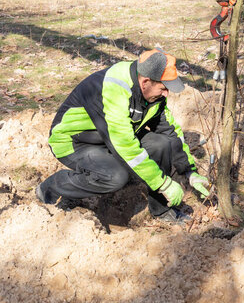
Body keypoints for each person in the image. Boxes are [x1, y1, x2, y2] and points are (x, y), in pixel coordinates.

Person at [36, 48, 209, 222]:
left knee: (160, 144)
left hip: (109, 138)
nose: (166, 94)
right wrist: (163, 183)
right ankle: (51, 188)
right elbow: (124, 143)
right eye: (163, 88)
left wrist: (189, 172)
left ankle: (162, 211)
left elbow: (171, 133)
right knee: (115, 176)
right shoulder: (115, 88)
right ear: (146, 82)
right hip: (75, 141)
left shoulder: (154, 95)